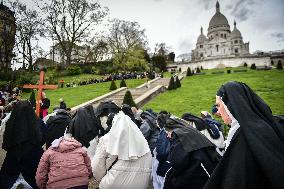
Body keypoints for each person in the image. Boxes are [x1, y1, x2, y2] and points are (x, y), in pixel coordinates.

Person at [203, 81, 284, 189]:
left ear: (229, 105)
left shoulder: (243, 136)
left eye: (218, 105)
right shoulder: (256, 126)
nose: (217, 111)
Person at [91, 111, 152, 189]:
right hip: (141, 183)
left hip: (113, 182)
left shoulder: (107, 139)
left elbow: (97, 165)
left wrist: (102, 179)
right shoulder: (143, 141)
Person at [163, 116, 220, 189]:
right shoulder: (190, 131)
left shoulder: (178, 135)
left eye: (167, 132)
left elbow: (177, 162)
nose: (168, 136)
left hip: (195, 176)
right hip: (207, 171)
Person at [0, 100, 46, 189]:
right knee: (36, 181)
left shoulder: (10, 121)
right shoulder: (38, 122)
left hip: (14, 155)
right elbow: (43, 137)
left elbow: (6, 138)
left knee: (7, 181)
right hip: (34, 155)